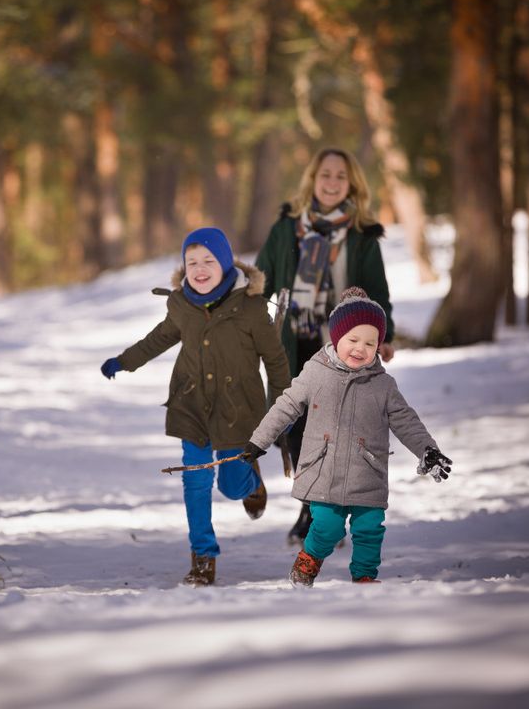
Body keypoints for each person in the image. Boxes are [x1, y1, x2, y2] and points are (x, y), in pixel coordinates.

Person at [100, 227, 291, 587]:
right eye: (192, 262)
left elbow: (277, 361)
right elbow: (157, 339)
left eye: (209, 261)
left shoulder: (250, 308)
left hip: (238, 410)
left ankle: (250, 482)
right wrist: (123, 361)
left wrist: (281, 410)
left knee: (231, 488)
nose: (200, 270)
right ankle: (203, 557)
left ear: (225, 264)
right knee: (196, 481)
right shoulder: (181, 305)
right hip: (192, 406)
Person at [240, 287, 452, 586]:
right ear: (336, 338)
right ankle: (309, 560)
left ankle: (365, 578)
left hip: (368, 471)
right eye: (352, 340)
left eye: (370, 342)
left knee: (370, 529)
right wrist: (258, 441)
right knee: (327, 527)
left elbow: (406, 421)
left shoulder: (383, 385)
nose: (360, 348)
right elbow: (286, 406)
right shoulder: (315, 373)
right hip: (324, 471)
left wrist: (426, 449)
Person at [255, 146, 397, 546]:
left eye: (340, 176)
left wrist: (384, 335)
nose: (332, 183)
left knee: (332, 426)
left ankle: (316, 513)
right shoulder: (286, 228)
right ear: (312, 180)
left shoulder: (362, 234)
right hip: (291, 339)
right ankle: (313, 505)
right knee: (294, 424)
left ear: (351, 183)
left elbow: (378, 289)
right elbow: (262, 278)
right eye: (325, 175)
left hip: (339, 343)